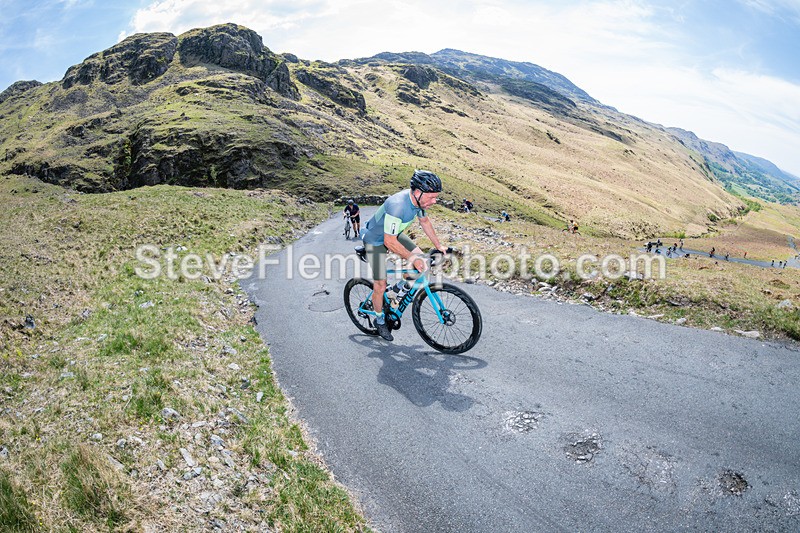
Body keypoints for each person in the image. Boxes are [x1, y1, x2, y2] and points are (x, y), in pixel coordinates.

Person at [361, 170, 447, 341]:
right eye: (431, 197)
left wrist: (438, 245)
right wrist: (412, 258)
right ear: (417, 192)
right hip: (375, 240)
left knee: (422, 261)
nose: (434, 201)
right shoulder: (398, 205)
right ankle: (379, 320)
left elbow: (425, 222)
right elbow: (389, 242)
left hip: (393, 233)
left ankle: (397, 289)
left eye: (436, 197)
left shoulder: (418, 203)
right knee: (380, 284)